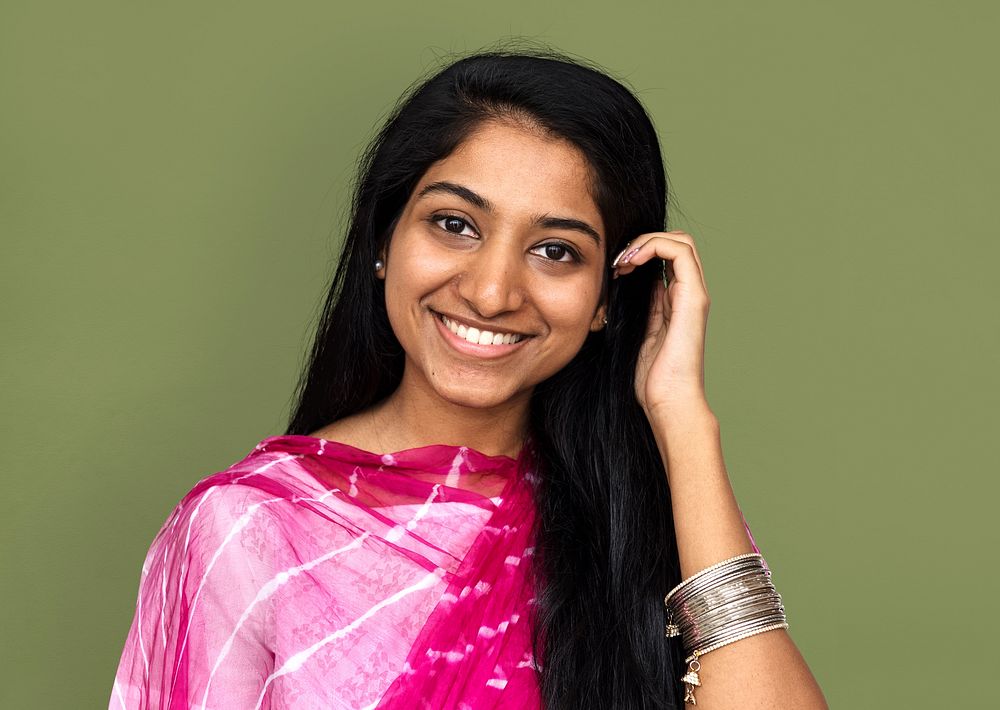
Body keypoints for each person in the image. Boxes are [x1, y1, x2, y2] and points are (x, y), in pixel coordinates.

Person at [109, 48, 827, 709]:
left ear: (607, 297)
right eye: (455, 225)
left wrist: (683, 419)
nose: (491, 292)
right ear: (383, 241)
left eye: (554, 251)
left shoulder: (649, 515)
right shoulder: (250, 530)